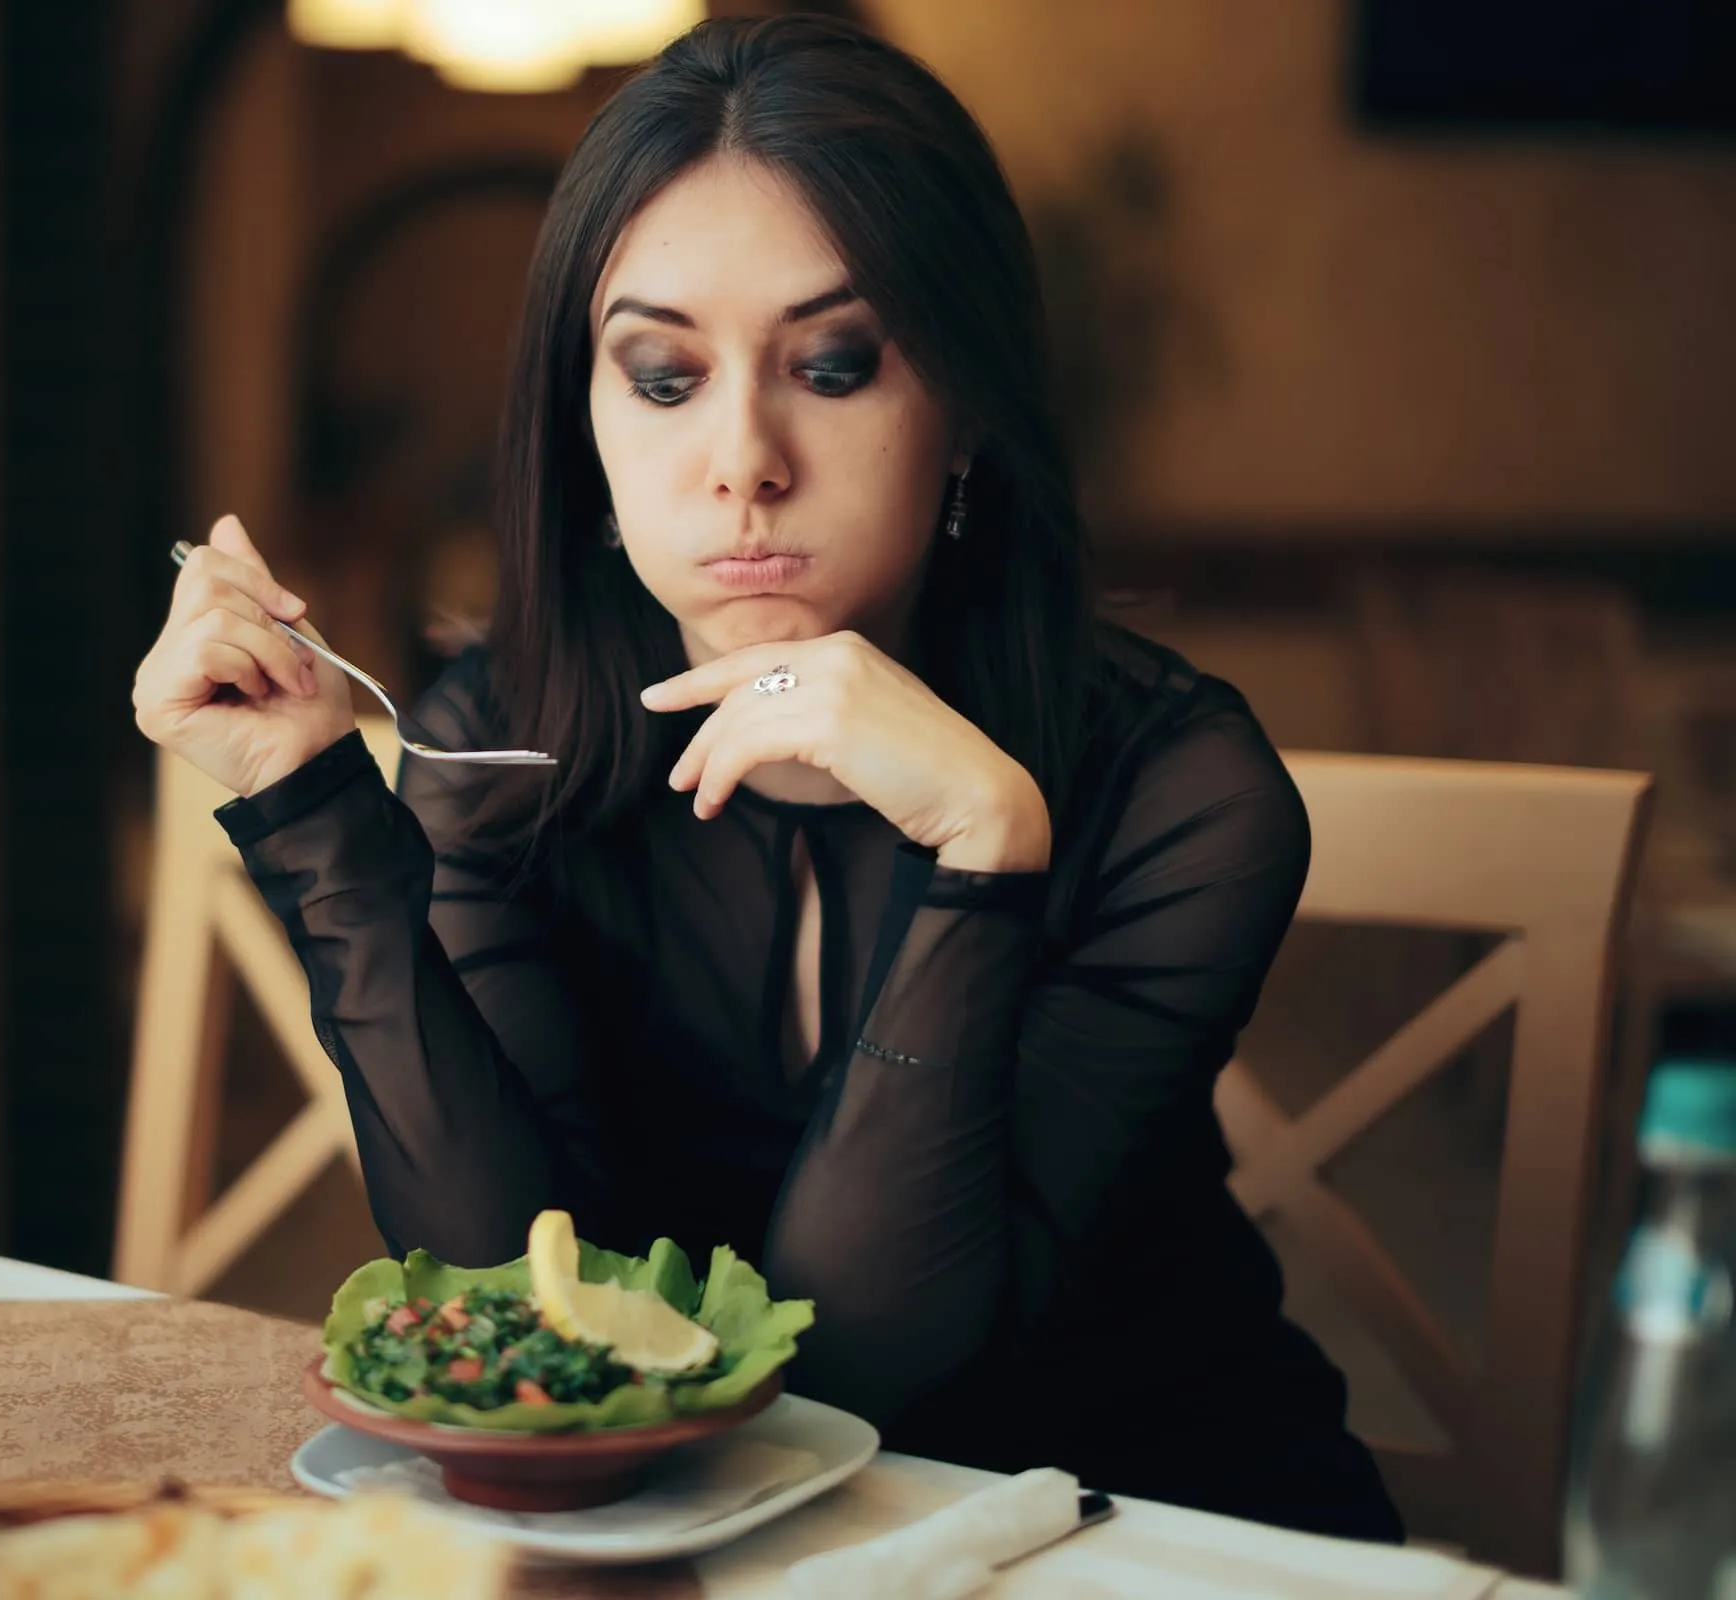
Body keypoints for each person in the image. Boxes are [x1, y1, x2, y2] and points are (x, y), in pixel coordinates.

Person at [133, 14, 1402, 1542]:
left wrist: (984, 849)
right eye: (663, 378)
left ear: (968, 416)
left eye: (836, 363)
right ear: (585, 430)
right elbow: (515, 1300)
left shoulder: (1179, 794)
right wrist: (315, 810)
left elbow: (870, 1372)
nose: (742, 458)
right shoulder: (507, 751)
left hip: (1136, 1537)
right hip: (705, 1559)